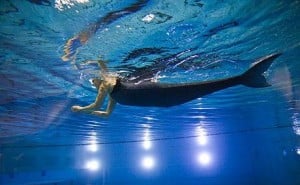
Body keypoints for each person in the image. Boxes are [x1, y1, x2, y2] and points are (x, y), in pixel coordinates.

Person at [71, 53, 281, 117]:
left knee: (207, 86)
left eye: (95, 80)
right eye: (95, 81)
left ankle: (243, 78)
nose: (95, 82)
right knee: (206, 86)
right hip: (163, 95)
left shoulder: (108, 85)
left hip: (166, 100)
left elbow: (101, 111)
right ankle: (244, 78)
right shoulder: (108, 91)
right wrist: (83, 109)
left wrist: (83, 109)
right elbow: (102, 111)